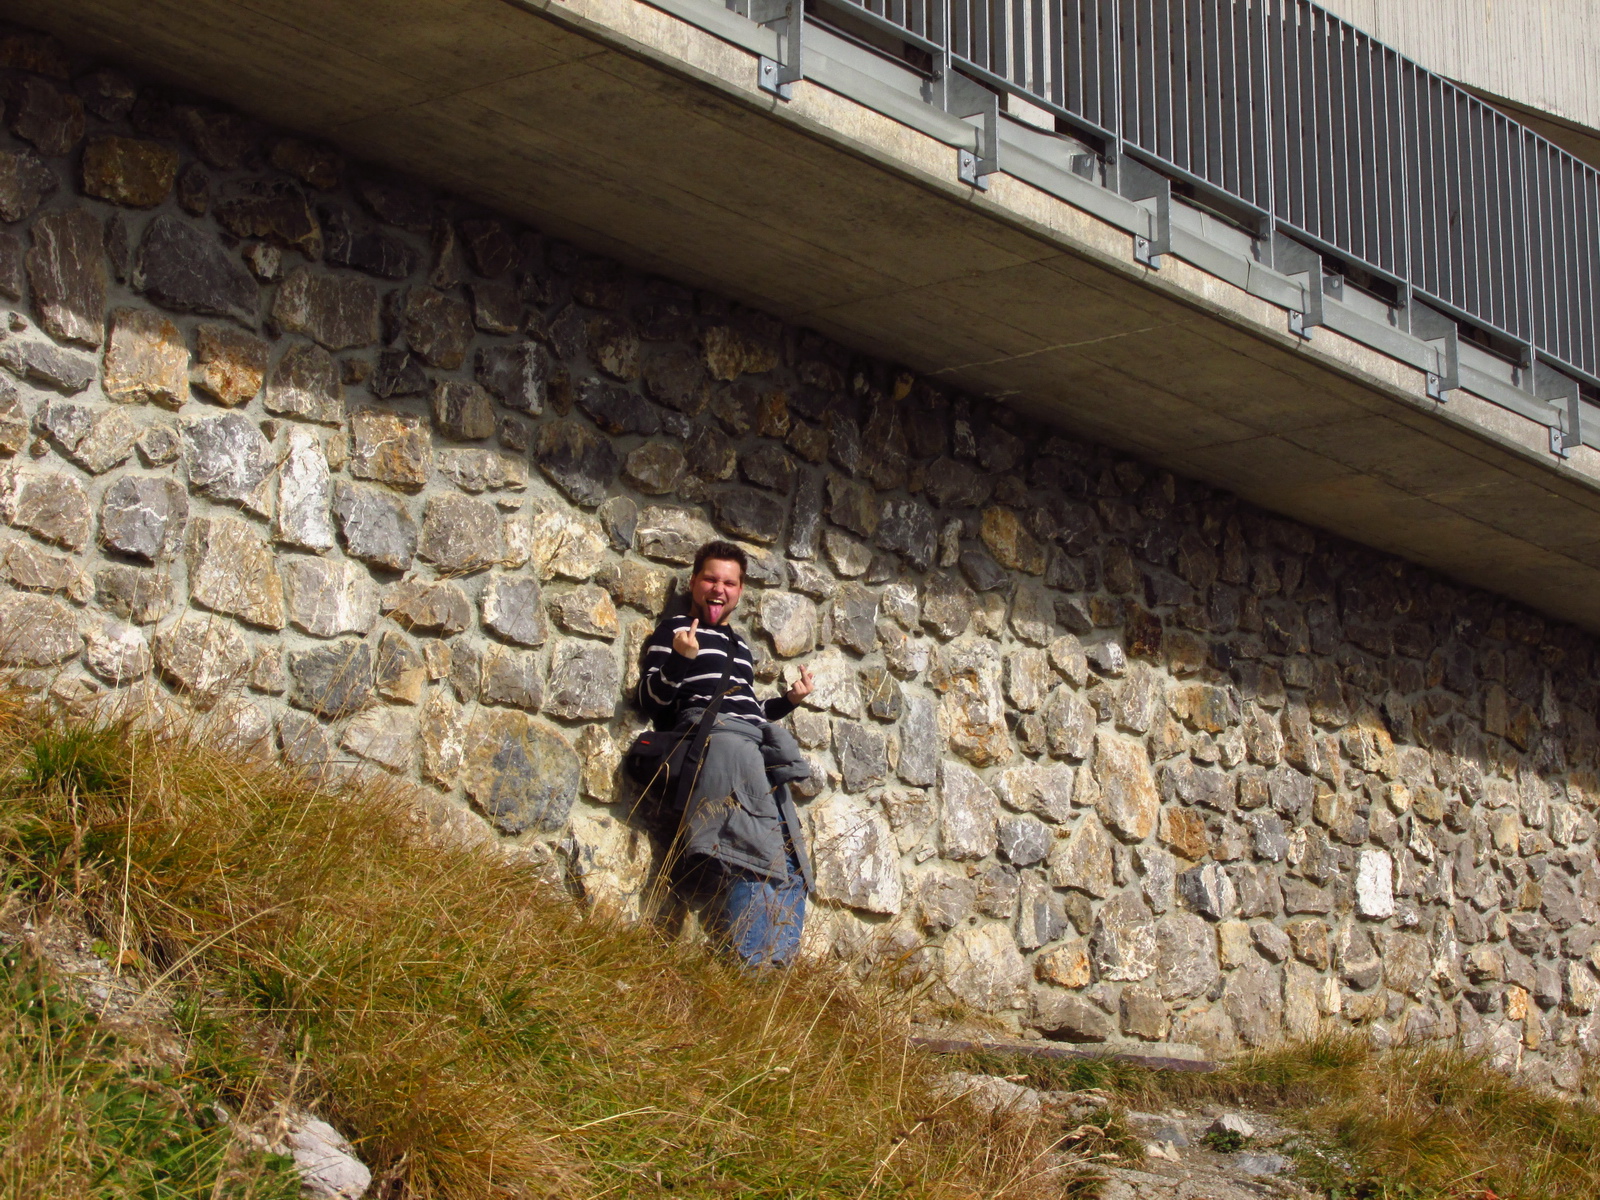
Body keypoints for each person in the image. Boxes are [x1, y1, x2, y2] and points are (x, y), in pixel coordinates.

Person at [639, 540, 816, 966]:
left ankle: (774, 973)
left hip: (754, 746)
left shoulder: (740, 647)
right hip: (720, 744)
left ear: (739, 591)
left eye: (729, 583)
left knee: (792, 861)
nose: (719, 590)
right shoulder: (675, 631)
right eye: (710, 579)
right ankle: (750, 969)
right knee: (754, 853)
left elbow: (746, 706)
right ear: (694, 583)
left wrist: (788, 701)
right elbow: (650, 701)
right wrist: (680, 659)